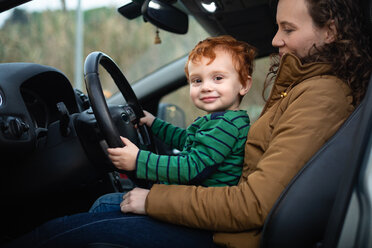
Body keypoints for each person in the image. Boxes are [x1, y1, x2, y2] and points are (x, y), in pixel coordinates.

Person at [4, 0, 372, 247]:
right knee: (97, 210)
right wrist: (153, 127)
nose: (276, 39)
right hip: (227, 226)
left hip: (230, 235)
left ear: (331, 31)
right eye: (198, 80)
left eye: (287, 29)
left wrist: (153, 199)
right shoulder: (303, 90)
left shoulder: (322, 94)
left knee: (61, 235)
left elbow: (254, 204)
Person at [107, 35, 255, 188]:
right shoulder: (222, 121)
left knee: (104, 204)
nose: (205, 87)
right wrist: (154, 123)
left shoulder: (226, 125)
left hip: (198, 205)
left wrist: (139, 160)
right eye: (197, 80)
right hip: (190, 199)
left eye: (218, 78)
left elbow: (191, 168)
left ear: (244, 84)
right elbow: (187, 140)